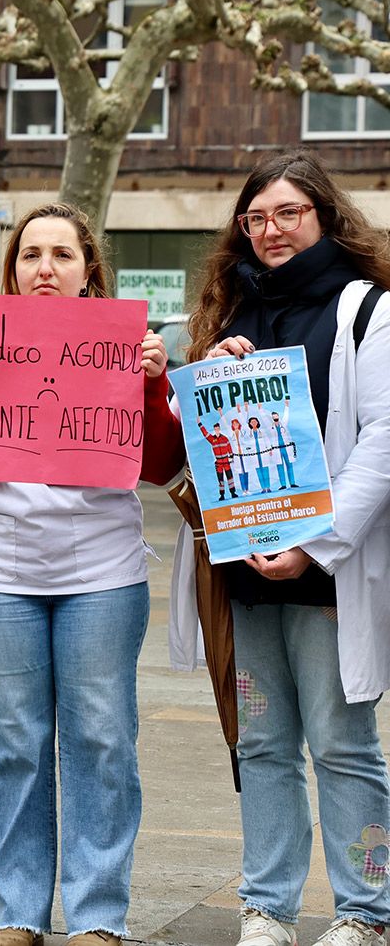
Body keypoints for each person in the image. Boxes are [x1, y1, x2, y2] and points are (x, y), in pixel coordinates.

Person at [0, 202, 185, 946]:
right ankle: (16, 911)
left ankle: (96, 916)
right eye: (29, 255)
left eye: (60, 254)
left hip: (103, 576)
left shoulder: (127, 344)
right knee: (12, 742)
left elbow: (160, 463)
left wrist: (151, 385)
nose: (43, 267)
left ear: (89, 272)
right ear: (12, 270)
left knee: (102, 739)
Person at [174, 152, 390, 946]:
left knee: (341, 743)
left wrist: (317, 544)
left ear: (325, 217)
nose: (269, 230)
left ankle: (365, 909)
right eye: (256, 216)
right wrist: (203, 375)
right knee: (259, 739)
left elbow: (385, 442)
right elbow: (196, 440)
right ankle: (266, 905)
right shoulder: (231, 310)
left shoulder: (367, 311)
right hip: (246, 574)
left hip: (328, 577)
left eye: (287, 213)